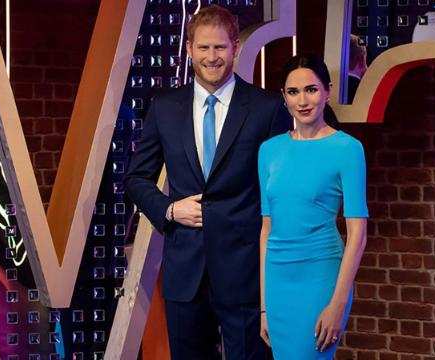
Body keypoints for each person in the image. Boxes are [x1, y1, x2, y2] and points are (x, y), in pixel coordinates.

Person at [125, 5, 292, 360]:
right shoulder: (165, 107)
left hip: (245, 273)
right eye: (203, 48)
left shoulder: (267, 108)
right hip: (185, 273)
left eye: (220, 47)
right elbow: (137, 178)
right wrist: (169, 209)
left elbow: (279, 191)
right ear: (189, 49)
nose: (211, 57)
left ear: (236, 48)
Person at [258, 54, 368, 359]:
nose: (303, 100)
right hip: (278, 285)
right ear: (283, 97)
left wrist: (338, 303)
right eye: (293, 92)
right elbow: (266, 230)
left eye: (312, 89)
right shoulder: (269, 151)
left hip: (321, 279)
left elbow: (358, 234)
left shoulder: (347, 148)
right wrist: (264, 306)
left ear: (328, 91)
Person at [347, 34, 368, 104]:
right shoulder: (365, 92)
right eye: (366, 62)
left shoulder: (327, 90)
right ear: (361, 60)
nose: (367, 68)